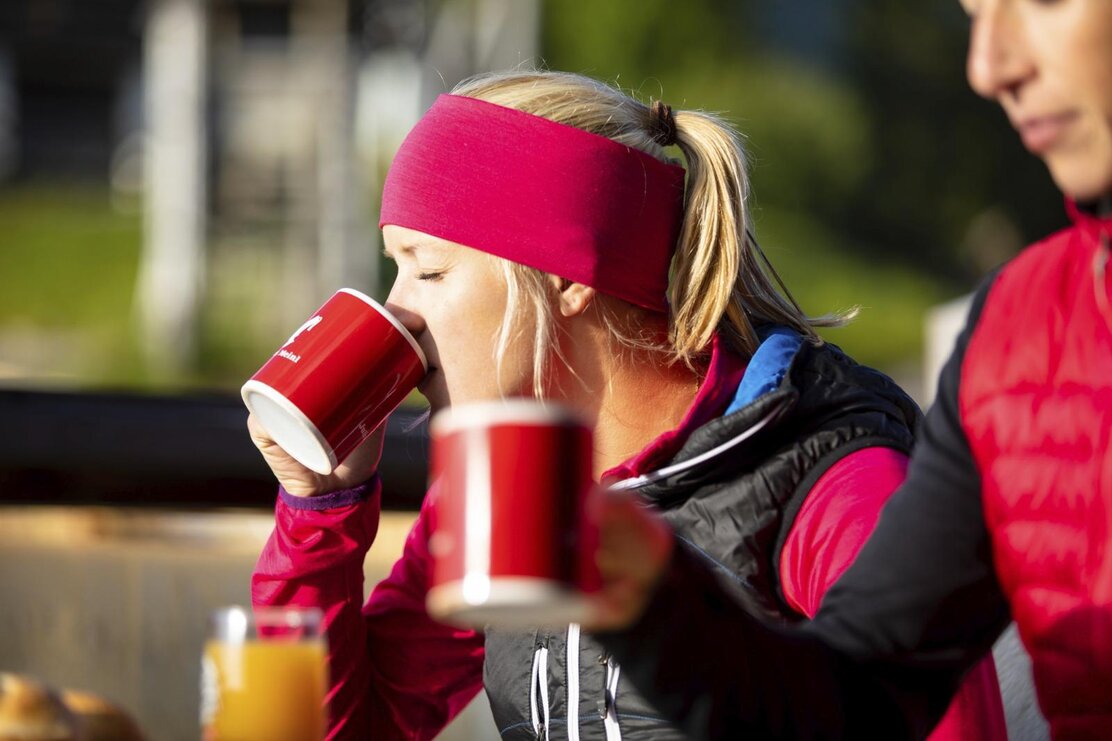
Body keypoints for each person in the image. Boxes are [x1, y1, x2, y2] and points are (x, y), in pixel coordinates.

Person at [248, 70, 1005, 740]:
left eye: (430, 271)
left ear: (567, 278)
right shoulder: (508, 482)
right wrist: (321, 511)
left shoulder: (834, 484)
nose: (396, 312)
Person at [586, 0, 1112, 739]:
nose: (989, 67)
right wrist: (653, 600)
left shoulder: (850, 476)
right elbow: (860, 696)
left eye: (1044, 3)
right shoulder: (1021, 330)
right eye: (975, 13)